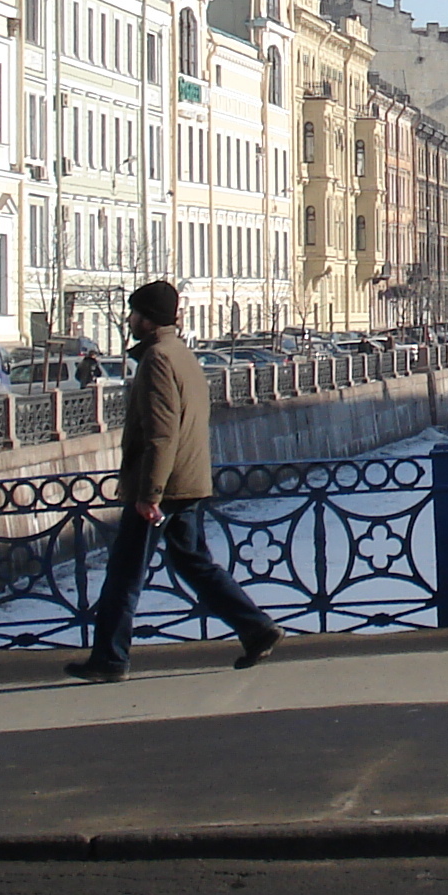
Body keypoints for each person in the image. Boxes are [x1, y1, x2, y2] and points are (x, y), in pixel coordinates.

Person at [67, 280, 281, 684]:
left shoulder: (158, 360)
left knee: (125, 573)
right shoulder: (181, 354)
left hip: (163, 487)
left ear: (147, 320)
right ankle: (256, 629)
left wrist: (149, 494)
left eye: (133, 314)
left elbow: (161, 434)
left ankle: (110, 658)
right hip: (187, 479)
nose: (129, 320)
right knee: (194, 562)